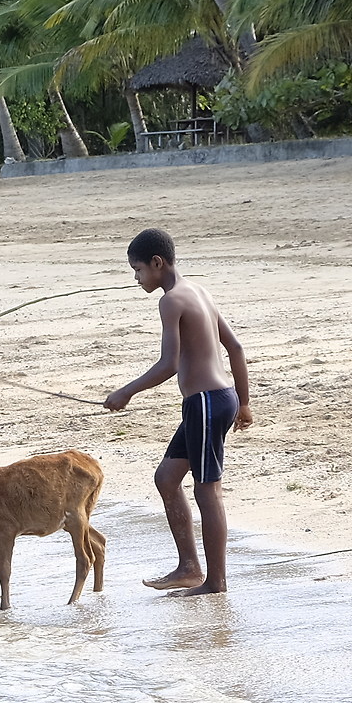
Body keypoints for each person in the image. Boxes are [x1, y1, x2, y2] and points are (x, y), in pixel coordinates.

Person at [103, 227, 252, 595]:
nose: (137, 279)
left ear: (158, 263)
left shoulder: (170, 301)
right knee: (167, 478)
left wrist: (126, 392)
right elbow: (234, 347)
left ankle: (215, 582)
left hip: (205, 403)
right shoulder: (199, 290)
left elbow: (169, 363)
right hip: (217, 399)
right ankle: (189, 566)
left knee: (207, 491)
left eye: (138, 270)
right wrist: (243, 402)